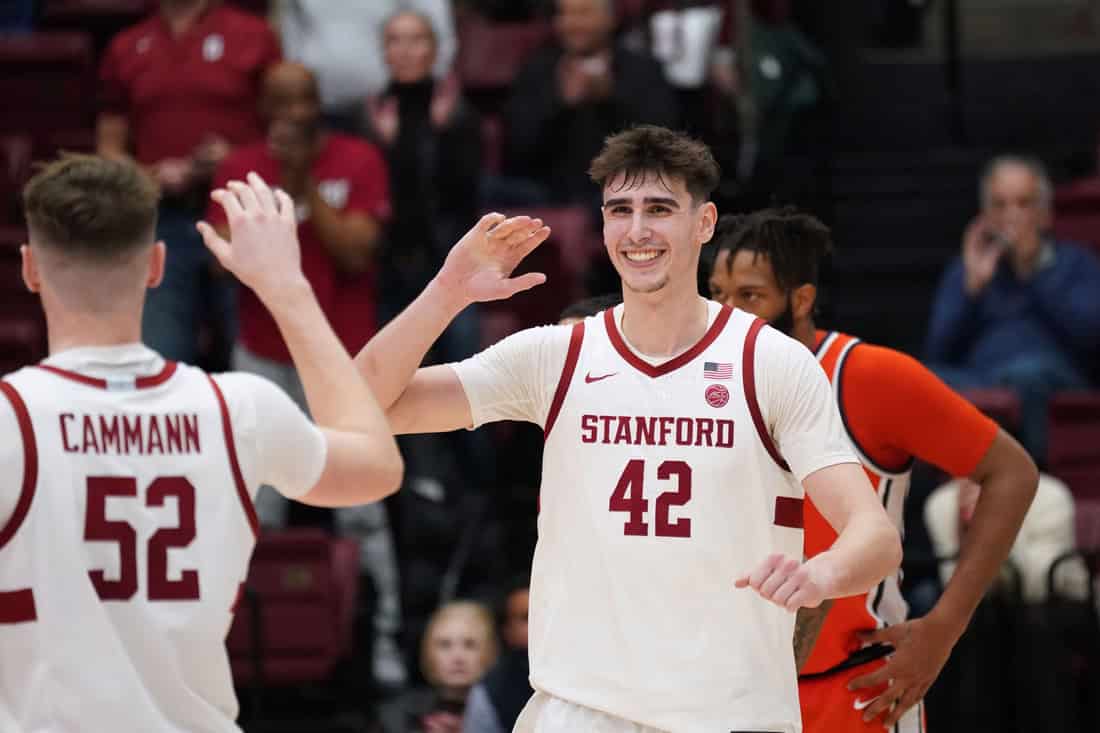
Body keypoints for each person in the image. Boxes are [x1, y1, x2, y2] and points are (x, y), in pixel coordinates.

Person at [353, 125, 901, 731]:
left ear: (705, 223)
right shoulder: (556, 355)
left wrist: (819, 573)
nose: (637, 231)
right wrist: (447, 292)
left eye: (659, 209)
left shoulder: (770, 363)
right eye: (620, 211)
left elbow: (874, 536)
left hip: (731, 712)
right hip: (582, 709)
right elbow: (365, 407)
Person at [0, 157, 402, 730]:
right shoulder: (237, 407)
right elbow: (377, 465)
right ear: (157, 266)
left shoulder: (10, 420)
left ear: (30, 269)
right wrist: (287, 288)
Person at [707, 207, 1038, 733]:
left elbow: (1013, 473)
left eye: (749, 296)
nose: (727, 314)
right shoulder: (702, 384)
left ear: (801, 299)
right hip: (725, 694)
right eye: (717, 294)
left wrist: (944, 627)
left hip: (856, 689)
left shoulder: (870, 377)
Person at [98, 0, 282, 366]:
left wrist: (234, 157)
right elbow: (108, 147)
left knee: (251, 359)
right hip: (160, 215)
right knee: (161, 355)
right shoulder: (127, 45)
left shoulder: (253, 35)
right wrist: (151, 174)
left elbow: (286, 130)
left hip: (240, 215)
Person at [925, 155, 1100, 462]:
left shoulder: (1076, 263)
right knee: (919, 378)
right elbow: (937, 351)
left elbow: (1091, 338)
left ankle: (1030, 477)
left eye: (1024, 203)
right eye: (1000, 205)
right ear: (985, 216)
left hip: (1053, 377)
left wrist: (1033, 272)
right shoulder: (966, 270)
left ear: (1045, 214)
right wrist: (972, 288)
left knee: (1026, 375)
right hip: (983, 379)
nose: (1012, 216)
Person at [505, 0, 679, 205]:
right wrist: (561, 104)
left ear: (610, 19)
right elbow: (516, 151)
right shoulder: (537, 71)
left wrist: (610, 98)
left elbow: (662, 142)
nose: (572, 23)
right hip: (546, 190)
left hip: (623, 188)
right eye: (565, 14)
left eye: (584, 13)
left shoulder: (643, 70)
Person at [926, 473, 1090, 604]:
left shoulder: (1052, 495)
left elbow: (1037, 587)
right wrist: (967, 531)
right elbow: (954, 590)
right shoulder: (942, 504)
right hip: (983, 618)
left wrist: (997, 519)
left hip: (1058, 609)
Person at [378, 600, 499, 733]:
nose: (457, 657)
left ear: (490, 651)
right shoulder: (395, 715)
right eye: (444, 645)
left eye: (470, 645)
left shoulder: (511, 712)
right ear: (428, 652)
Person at [463, 577, 533, 733]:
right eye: (526, 617)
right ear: (507, 631)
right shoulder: (490, 691)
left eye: (546, 614)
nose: (539, 623)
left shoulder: (588, 678)